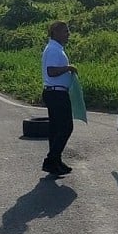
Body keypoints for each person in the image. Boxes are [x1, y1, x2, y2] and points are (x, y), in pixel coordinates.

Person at [40, 21, 77, 175]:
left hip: (55, 92)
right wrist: (69, 68)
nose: (68, 34)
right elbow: (51, 71)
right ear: (55, 32)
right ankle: (51, 160)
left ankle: (56, 161)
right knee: (66, 127)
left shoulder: (55, 48)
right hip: (56, 93)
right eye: (65, 31)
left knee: (56, 129)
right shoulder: (54, 50)